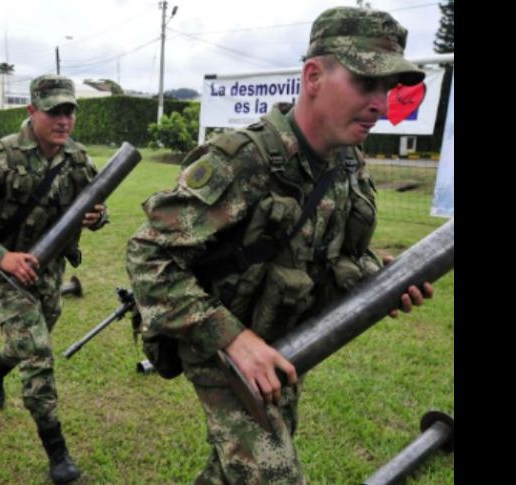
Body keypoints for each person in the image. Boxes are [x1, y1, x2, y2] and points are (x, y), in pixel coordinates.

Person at [126, 7, 435, 483]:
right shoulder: (242, 161)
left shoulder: (348, 162)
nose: (381, 103)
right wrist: (232, 338)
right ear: (313, 76)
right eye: (365, 83)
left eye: (387, 88)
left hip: (285, 338)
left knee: (242, 464)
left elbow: (326, 253)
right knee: (273, 472)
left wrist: (379, 279)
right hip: (217, 338)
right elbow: (147, 256)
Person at [0, 75, 107, 483]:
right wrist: (2, 257)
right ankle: (58, 454)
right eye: (54, 111)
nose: (63, 120)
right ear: (32, 111)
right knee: (37, 351)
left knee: (28, 341)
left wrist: (97, 217)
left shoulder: (77, 158)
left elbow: (95, 207)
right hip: (7, 270)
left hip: (50, 269)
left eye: (69, 111)